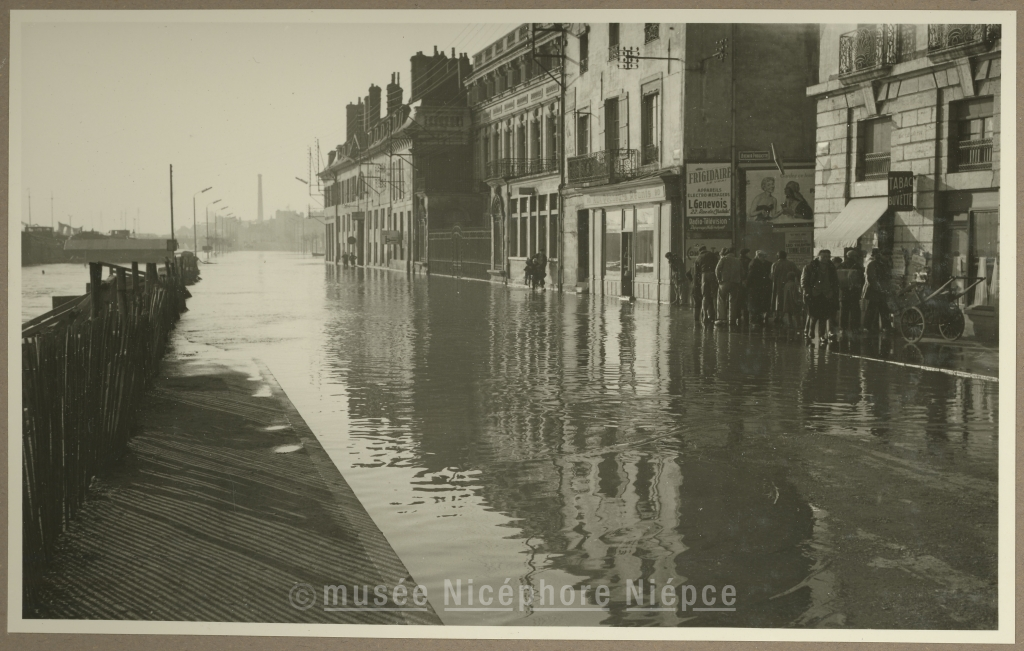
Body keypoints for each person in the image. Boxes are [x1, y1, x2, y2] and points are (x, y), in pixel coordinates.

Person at [801, 249, 840, 343]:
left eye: (828, 257)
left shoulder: (831, 267)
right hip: (814, 294)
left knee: (824, 316)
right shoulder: (810, 267)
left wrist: (834, 292)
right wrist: (807, 292)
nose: (826, 259)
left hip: (827, 294)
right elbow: (804, 281)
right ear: (818, 256)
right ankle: (811, 332)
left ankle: (822, 335)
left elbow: (835, 281)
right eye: (823, 257)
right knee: (813, 315)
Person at [863, 248, 893, 334]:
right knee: (872, 308)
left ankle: (886, 327)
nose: (887, 257)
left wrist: (887, 287)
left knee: (884, 309)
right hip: (874, 290)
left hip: (882, 290)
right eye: (885, 256)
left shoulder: (885, 264)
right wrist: (879, 288)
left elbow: (887, 277)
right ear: (881, 255)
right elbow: (872, 278)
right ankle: (867, 327)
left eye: (888, 256)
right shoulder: (873, 264)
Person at [837, 250, 865, 338]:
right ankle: (854, 328)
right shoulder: (857, 266)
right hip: (854, 291)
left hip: (843, 291)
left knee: (844, 310)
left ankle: (843, 328)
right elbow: (862, 279)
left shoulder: (841, 265)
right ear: (854, 257)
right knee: (855, 310)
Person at [716, 247, 743, 327]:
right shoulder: (738, 260)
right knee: (733, 301)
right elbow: (742, 272)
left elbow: (717, 269)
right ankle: (732, 320)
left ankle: (722, 319)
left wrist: (719, 279)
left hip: (724, 282)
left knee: (721, 299)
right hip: (735, 283)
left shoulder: (723, 259)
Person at [746, 250, 773, 326]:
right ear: (759, 256)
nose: (764, 259)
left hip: (755, 287)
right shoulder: (755, 263)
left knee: (755, 304)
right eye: (763, 257)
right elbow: (751, 275)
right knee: (755, 304)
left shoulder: (755, 262)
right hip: (755, 287)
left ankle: (756, 321)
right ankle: (754, 321)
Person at [770, 250, 798, 322]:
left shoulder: (775, 264)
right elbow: (797, 272)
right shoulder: (791, 264)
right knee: (788, 301)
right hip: (789, 285)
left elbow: (772, 276)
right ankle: (790, 318)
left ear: (778, 256)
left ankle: (778, 316)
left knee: (778, 301)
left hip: (778, 286)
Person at [696, 246, 720, 323]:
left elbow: (697, 272)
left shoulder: (698, 257)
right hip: (713, 274)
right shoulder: (712, 255)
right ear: (706, 249)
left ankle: (704, 315)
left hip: (704, 275)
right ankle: (716, 316)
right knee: (714, 295)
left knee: (705, 296)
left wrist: (699, 281)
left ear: (700, 251)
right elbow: (718, 265)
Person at [738, 248, 752, 325]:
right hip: (746, 282)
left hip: (739, 282)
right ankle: (745, 316)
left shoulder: (738, 260)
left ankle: (738, 315)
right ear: (746, 253)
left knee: (739, 299)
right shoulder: (749, 261)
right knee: (746, 299)